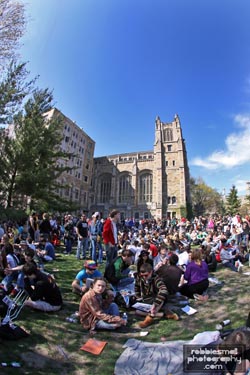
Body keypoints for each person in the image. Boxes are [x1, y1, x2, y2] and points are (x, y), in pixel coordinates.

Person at [135, 263, 179, 328]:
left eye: (146, 275)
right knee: (137, 312)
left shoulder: (156, 279)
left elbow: (163, 290)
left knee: (159, 301)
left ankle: (149, 318)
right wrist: (138, 296)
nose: (144, 277)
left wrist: (155, 304)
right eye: (142, 276)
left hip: (157, 298)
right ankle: (164, 315)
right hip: (147, 299)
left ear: (151, 272)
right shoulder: (139, 277)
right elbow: (137, 287)